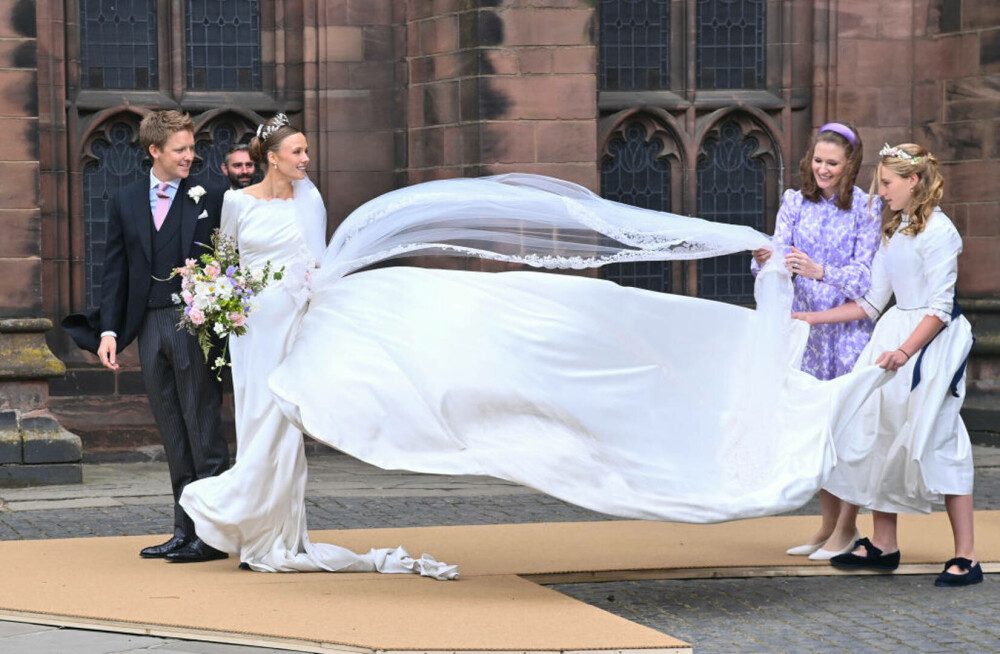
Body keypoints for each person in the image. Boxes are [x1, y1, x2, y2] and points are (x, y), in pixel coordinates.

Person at [179, 114, 458, 578]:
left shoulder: (310, 202)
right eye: (298, 152)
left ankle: (276, 532)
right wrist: (217, 298)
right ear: (272, 158)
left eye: (307, 151)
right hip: (249, 326)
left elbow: (318, 264)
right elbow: (224, 260)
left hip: (291, 321)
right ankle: (255, 538)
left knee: (283, 420)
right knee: (254, 416)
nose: (306, 159)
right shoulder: (235, 202)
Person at [792, 143, 980, 587]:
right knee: (876, 430)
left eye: (888, 184)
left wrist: (905, 352)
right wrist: (809, 319)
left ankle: (967, 557)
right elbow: (872, 301)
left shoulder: (941, 232)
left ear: (913, 181)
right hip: (894, 333)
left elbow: (939, 307)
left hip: (932, 342)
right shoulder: (893, 230)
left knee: (942, 437)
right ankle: (884, 544)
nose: (880, 194)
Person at [62, 110, 230, 563]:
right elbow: (115, 270)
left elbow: (233, 257)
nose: (190, 157)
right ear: (154, 151)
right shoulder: (126, 198)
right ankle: (183, 529)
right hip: (148, 326)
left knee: (202, 426)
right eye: (180, 149)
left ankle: (213, 535)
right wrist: (110, 331)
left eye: (192, 148)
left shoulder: (213, 195)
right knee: (173, 430)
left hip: (193, 323)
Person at [751, 122, 881, 561]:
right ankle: (827, 526)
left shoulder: (868, 209)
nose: (823, 169)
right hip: (805, 334)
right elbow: (777, 258)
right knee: (815, 431)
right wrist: (765, 260)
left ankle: (846, 529)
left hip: (845, 334)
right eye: (818, 161)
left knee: (845, 432)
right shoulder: (794, 202)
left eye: (833, 163)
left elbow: (865, 277)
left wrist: (820, 270)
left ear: (849, 166)